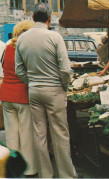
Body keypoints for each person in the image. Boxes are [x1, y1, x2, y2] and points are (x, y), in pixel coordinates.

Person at [15, 3, 77, 178]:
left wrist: (32, 82)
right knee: (60, 134)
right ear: (50, 19)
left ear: (32, 18)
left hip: (34, 90)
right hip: (54, 90)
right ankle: (66, 175)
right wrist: (63, 86)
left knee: (40, 134)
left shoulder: (21, 39)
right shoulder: (55, 37)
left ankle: (46, 175)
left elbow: (20, 70)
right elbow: (65, 69)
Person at [0, 20, 37, 177]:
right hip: (23, 95)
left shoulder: (7, 48)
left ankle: (11, 166)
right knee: (26, 134)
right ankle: (29, 169)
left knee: (11, 133)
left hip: (6, 95)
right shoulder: (27, 49)